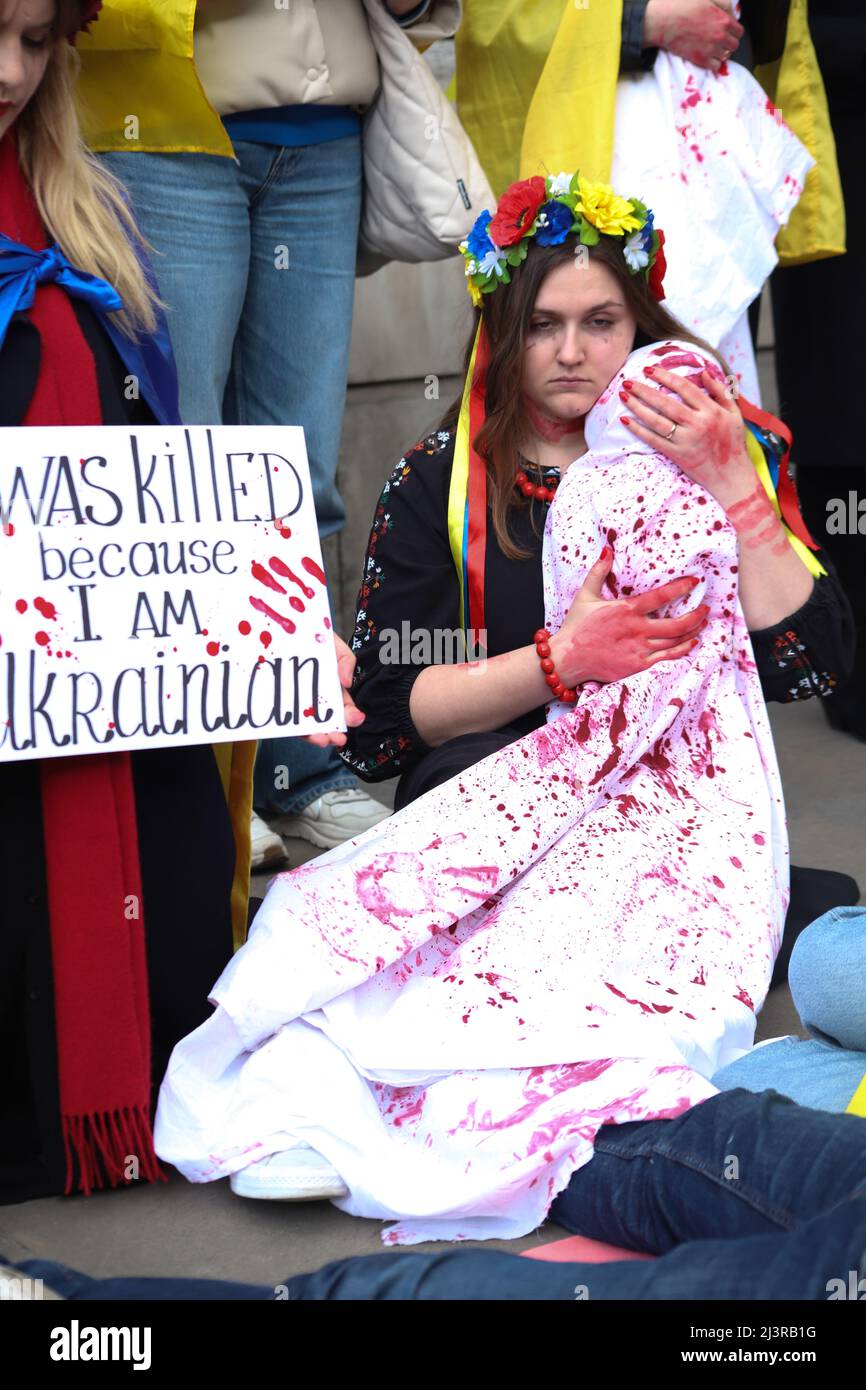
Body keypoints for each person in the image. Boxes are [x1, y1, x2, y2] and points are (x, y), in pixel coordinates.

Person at [156, 174, 854, 1251]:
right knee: (392, 945)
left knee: (801, 910)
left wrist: (737, 492)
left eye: (600, 322)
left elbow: (808, 664)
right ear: (501, 332)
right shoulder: (440, 474)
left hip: (664, 818)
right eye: (541, 325)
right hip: (492, 796)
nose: (571, 352)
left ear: (642, 324)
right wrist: (558, 661)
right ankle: (387, 1097)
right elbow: (385, 723)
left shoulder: (710, 448)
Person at [75, 1, 457, 869]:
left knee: (300, 476)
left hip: (326, 128)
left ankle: (297, 770)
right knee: (181, 471)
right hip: (164, 120)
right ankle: (202, 780)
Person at [0, 0, 249, 1203]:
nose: (10, 70)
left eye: (38, 40)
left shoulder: (88, 211)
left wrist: (256, 625)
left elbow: (162, 481)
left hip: (103, 676)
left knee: (187, 888)